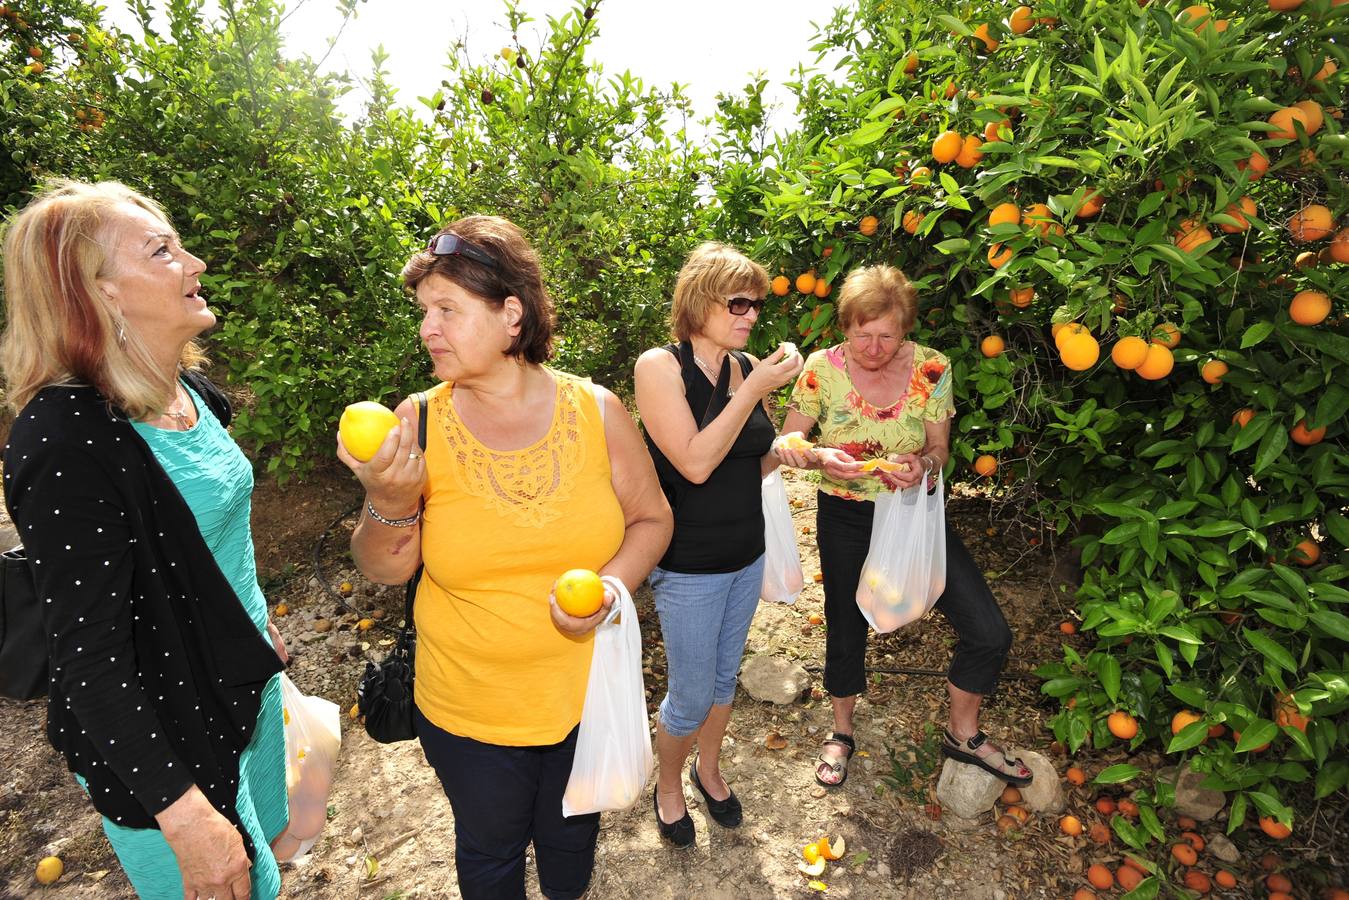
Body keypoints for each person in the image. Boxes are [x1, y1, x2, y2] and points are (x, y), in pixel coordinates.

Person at [341, 215, 672, 900]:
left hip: (584, 694)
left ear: (511, 315)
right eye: (423, 312)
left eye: (447, 310)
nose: (427, 329)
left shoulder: (598, 410)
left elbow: (651, 518)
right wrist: (389, 499)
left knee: (571, 837)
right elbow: (384, 568)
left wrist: (610, 587)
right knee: (489, 852)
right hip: (467, 705)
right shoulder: (418, 421)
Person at [1, 179, 291, 899]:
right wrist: (186, 819)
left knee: (270, 869)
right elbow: (90, 664)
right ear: (96, 294)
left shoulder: (184, 390)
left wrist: (259, 632)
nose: (194, 263)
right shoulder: (66, 441)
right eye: (163, 251)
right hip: (168, 745)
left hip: (243, 693)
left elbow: (204, 548)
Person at [775, 264, 1030, 790]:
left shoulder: (932, 368)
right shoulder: (822, 369)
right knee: (845, 624)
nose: (872, 347)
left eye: (886, 335)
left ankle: (963, 733)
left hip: (912, 514)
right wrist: (820, 456)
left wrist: (926, 467)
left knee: (987, 629)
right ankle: (841, 732)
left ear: (905, 329)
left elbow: (939, 448)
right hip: (844, 512)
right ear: (844, 327)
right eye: (861, 334)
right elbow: (788, 443)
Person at [633, 242, 803, 847]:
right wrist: (755, 388)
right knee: (689, 693)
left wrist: (796, 452)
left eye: (756, 304)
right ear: (700, 299)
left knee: (724, 680)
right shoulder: (659, 367)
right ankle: (669, 784)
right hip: (691, 565)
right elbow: (696, 464)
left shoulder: (742, 366)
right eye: (739, 302)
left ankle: (709, 769)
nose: (752, 314)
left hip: (745, 552)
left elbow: (745, 463)